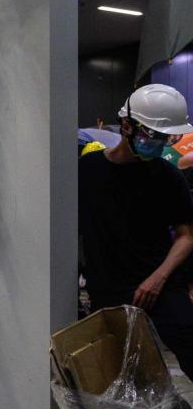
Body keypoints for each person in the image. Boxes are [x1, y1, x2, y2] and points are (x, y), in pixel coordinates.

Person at [80, 84, 193, 380]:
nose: (157, 145)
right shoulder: (88, 170)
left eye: (164, 138)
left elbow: (187, 236)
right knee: (127, 378)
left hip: (161, 285)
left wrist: (158, 278)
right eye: (151, 136)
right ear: (127, 126)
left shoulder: (167, 176)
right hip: (109, 289)